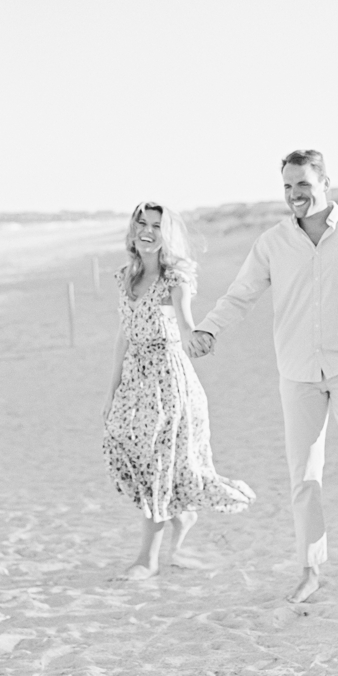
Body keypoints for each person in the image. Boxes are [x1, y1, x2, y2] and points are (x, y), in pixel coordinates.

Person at [188, 149, 338, 604]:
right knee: (304, 475)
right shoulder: (272, 242)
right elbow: (241, 294)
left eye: (302, 185)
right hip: (297, 372)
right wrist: (208, 327)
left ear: (325, 182)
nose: (294, 195)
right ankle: (310, 567)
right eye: (287, 187)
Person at [102, 201, 254, 580]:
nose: (148, 231)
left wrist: (200, 339)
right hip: (135, 380)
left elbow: (186, 326)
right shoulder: (125, 276)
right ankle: (182, 516)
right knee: (134, 454)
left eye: (156, 225)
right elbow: (123, 334)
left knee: (157, 465)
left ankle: (147, 560)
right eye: (142, 223)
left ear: (167, 233)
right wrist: (113, 389)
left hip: (169, 380)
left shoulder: (176, 280)